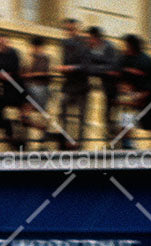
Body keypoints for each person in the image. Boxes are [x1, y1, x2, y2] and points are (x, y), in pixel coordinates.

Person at [115, 34, 151, 148]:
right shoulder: (124, 58)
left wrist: (140, 94)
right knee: (125, 113)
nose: (124, 48)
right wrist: (122, 86)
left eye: (126, 45)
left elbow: (150, 82)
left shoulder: (146, 60)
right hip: (128, 94)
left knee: (130, 113)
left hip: (143, 94)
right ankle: (126, 142)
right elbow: (119, 75)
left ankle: (129, 143)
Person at [57, 18, 89, 148]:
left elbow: (86, 65)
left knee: (81, 117)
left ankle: (80, 144)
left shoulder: (84, 44)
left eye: (71, 29)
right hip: (68, 84)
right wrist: (63, 69)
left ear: (77, 29)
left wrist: (70, 68)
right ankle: (66, 141)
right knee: (62, 112)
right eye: (67, 29)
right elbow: (65, 62)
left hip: (81, 85)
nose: (69, 32)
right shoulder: (65, 44)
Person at [84, 27, 119, 142]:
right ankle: (110, 140)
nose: (88, 41)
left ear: (95, 38)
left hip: (119, 88)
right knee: (107, 115)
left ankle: (126, 142)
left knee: (124, 115)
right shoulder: (89, 50)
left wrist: (99, 68)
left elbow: (113, 67)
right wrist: (104, 69)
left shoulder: (110, 48)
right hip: (106, 87)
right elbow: (88, 68)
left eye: (89, 38)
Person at [20, 36, 53, 148]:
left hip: (39, 88)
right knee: (25, 117)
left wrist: (31, 75)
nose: (33, 49)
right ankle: (41, 129)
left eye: (35, 47)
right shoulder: (30, 58)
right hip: (29, 88)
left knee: (35, 114)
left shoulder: (45, 58)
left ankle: (43, 133)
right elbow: (23, 71)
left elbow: (45, 73)